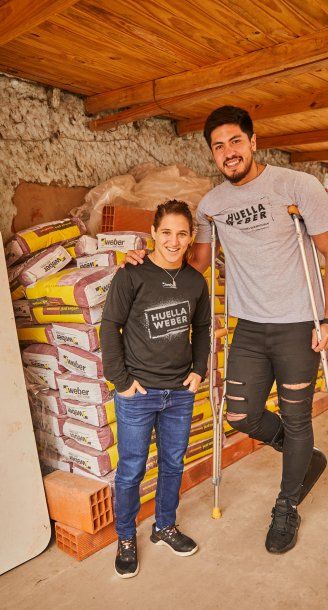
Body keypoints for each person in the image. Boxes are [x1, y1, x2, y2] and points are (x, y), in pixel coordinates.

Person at [125, 106, 328, 555]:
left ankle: (287, 504)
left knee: (298, 417)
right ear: (213, 153)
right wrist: (148, 260)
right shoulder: (212, 206)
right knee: (240, 415)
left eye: (235, 141)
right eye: (218, 146)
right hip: (249, 326)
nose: (228, 152)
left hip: (298, 325)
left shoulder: (297, 186)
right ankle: (303, 456)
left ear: (252, 142)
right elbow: (196, 263)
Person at [101, 200, 210, 578]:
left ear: (191, 237)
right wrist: (121, 381)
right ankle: (126, 537)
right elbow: (109, 326)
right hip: (139, 393)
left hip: (179, 393)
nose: (173, 241)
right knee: (131, 469)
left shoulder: (196, 281)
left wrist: (199, 370)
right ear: (152, 233)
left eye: (181, 233)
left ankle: (164, 526)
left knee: (172, 464)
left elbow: (203, 328)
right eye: (166, 232)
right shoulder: (132, 274)